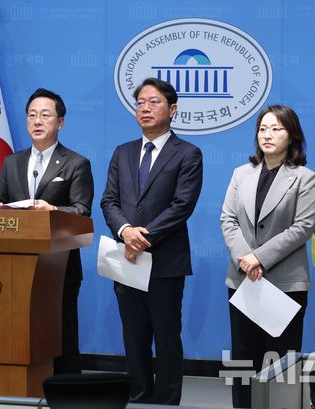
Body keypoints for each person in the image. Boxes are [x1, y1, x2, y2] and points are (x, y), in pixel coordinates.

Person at [100, 78, 203, 404]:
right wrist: (125, 231)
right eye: (140, 102)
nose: (145, 108)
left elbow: (181, 206)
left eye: (154, 102)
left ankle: (167, 402)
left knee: (167, 337)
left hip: (165, 263)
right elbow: (109, 201)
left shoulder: (188, 153)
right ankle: (139, 397)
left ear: (172, 110)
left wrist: (142, 238)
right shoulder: (123, 152)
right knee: (134, 338)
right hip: (126, 261)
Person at [220, 104, 315, 408]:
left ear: (292, 136)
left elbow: (303, 227)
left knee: (280, 363)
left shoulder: (305, 178)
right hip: (243, 280)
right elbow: (228, 219)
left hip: (284, 284)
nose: (267, 134)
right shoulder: (241, 174)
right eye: (263, 128)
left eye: (276, 128)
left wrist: (260, 258)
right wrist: (245, 259)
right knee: (242, 361)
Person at [0, 88, 93, 374]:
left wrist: (53, 210)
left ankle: (65, 389)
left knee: (61, 333)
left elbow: (82, 211)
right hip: (15, 265)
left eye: (45, 115)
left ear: (60, 122)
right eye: (32, 115)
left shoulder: (76, 163)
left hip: (59, 266)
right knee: (21, 332)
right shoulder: (12, 162)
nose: (37, 121)